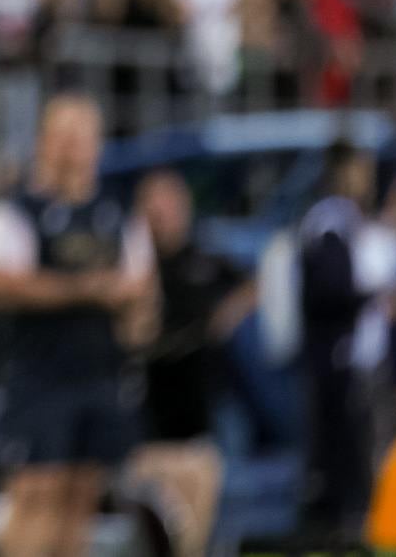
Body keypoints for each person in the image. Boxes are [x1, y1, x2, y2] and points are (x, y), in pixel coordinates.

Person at [0, 95, 156, 557]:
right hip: (38, 376)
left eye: (82, 136)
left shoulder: (117, 214)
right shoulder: (14, 211)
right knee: (36, 492)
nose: (73, 148)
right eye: (64, 135)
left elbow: (142, 292)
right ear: (43, 142)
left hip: (100, 373)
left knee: (81, 494)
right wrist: (90, 290)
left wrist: (137, 319)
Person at [126, 169, 250, 557]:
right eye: (152, 205)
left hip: (198, 409)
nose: (160, 214)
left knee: (198, 504)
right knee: (155, 517)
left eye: (167, 205)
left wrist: (226, 316)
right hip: (145, 416)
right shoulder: (131, 265)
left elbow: (253, 281)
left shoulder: (205, 259)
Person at [298, 141, 383, 534]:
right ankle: (337, 528)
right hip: (335, 355)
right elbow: (329, 288)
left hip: (347, 354)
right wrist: (377, 294)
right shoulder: (329, 219)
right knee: (340, 454)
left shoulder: (345, 217)